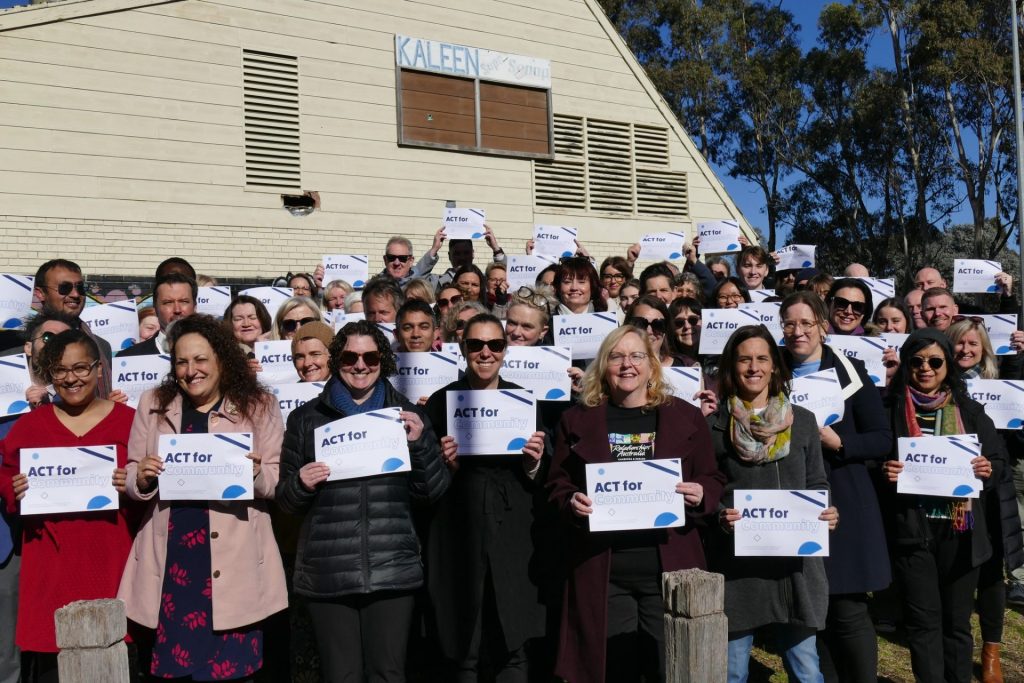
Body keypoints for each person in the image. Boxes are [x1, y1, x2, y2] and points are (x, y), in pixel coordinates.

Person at [547, 324, 723, 682]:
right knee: (616, 670)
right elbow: (557, 484)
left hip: (669, 569)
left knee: (669, 667)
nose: (627, 364)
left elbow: (713, 477)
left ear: (652, 365)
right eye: (616, 356)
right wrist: (571, 501)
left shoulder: (686, 416)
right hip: (605, 572)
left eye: (637, 356)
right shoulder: (576, 419)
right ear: (604, 365)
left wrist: (701, 492)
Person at [276, 319, 449, 682]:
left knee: (388, 673)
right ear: (336, 360)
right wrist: (301, 483)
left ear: (382, 360)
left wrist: (420, 446)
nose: (360, 365)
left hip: (391, 569)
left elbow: (431, 493)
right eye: (349, 357)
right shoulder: (305, 419)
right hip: (329, 572)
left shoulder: (409, 417)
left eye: (370, 357)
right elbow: (287, 502)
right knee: (341, 675)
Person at [118, 315, 288, 682]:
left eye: (200, 360)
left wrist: (256, 474)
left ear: (222, 359)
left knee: (231, 673)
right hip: (174, 559)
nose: (190, 370)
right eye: (181, 361)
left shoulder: (259, 405)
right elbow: (131, 474)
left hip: (235, 561)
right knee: (173, 670)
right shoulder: (153, 403)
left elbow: (276, 482)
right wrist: (141, 477)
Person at [0, 330, 136, 682]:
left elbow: (148, 488)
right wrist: (13, 489)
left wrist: (134, 484)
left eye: (80, 368)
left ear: (98, 369)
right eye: (60, 370)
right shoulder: (29, 427)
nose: (71, 378)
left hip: (113, 564)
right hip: (51, 570)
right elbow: (6, 477)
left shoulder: (130, 422)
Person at [708, 324, 838, 683]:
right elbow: (708, 491)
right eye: (744, 359)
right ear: (731, 367)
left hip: (794, 571)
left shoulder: (804, 422)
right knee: (732, 673)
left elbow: (817, 482)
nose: (754, 367)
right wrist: (720, 516)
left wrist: (826, 512)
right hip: (738, 570)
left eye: (762, 358)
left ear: (775, 366)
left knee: (806, 670)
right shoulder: (715, 426)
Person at [424, 313, 547, 680]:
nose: (485, 352)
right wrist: (446, 466)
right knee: (465, 641)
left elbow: (544, 475)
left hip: (513, 529)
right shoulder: (442, 402)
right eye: (476, 344)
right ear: (463, 349)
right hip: (458, 530)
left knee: (513, 637)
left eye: (495, 345)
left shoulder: (523, 401)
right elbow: (423, 481)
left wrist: (533, 463)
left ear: (505, 350)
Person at [779, 292, 892, 683]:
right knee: (812, 614)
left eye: (806, 323)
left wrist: (840, 442)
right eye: (789, 323)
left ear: (822, 327)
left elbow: (881, 438)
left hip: (844, 497)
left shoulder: (852, 372)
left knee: (847, 609)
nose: (798, 331)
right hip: (793, 499)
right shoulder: (773, 371)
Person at [879, 328, 1003, 683]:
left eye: (935, 361)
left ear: (948, 365)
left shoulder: (970, 411)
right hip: (912, 529)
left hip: (960, 531)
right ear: (906, 365)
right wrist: (884, 470)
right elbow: (873, 460)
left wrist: (987, 469)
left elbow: (998, 462)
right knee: (923, 622)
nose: (926, 368)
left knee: (957, 622)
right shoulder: (888, 410)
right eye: (917, 361)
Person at [947, 318, 1024, 682]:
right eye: (959, 343)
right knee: (958, 566)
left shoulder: (1001, 384)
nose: (965, 350)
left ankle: (991, 650)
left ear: (984, 350)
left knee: (992, 572)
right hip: (952, 485)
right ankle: (956, 640)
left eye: (973, 344)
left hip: (993, 486)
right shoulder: (937, 384)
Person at [33, 258, 113, 397]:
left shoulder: (102, 346)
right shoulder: (19, 348)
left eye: (80, 288)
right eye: (64, 288)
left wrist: (109, 404)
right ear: (40, 293)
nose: (75, 294)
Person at [120, 273, 197, 356]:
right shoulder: (128, 357)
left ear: (195, 306)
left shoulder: (208, 350)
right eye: (168, 302)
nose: (177, 310)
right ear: (156, 308)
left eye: (184, 301)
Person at [624, 295, 683, 367]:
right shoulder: (617, 367)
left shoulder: (684, 368)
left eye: (658, 324)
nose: (649, 331)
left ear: (666, 328)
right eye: (640, 323)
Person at [378, 235, 443, 287]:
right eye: (391, 258)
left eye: (402, 258)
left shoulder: (422, 286)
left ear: (411, 261)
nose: (396, 263)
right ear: (385, 260)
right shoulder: (375, 287)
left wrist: (434, 248)